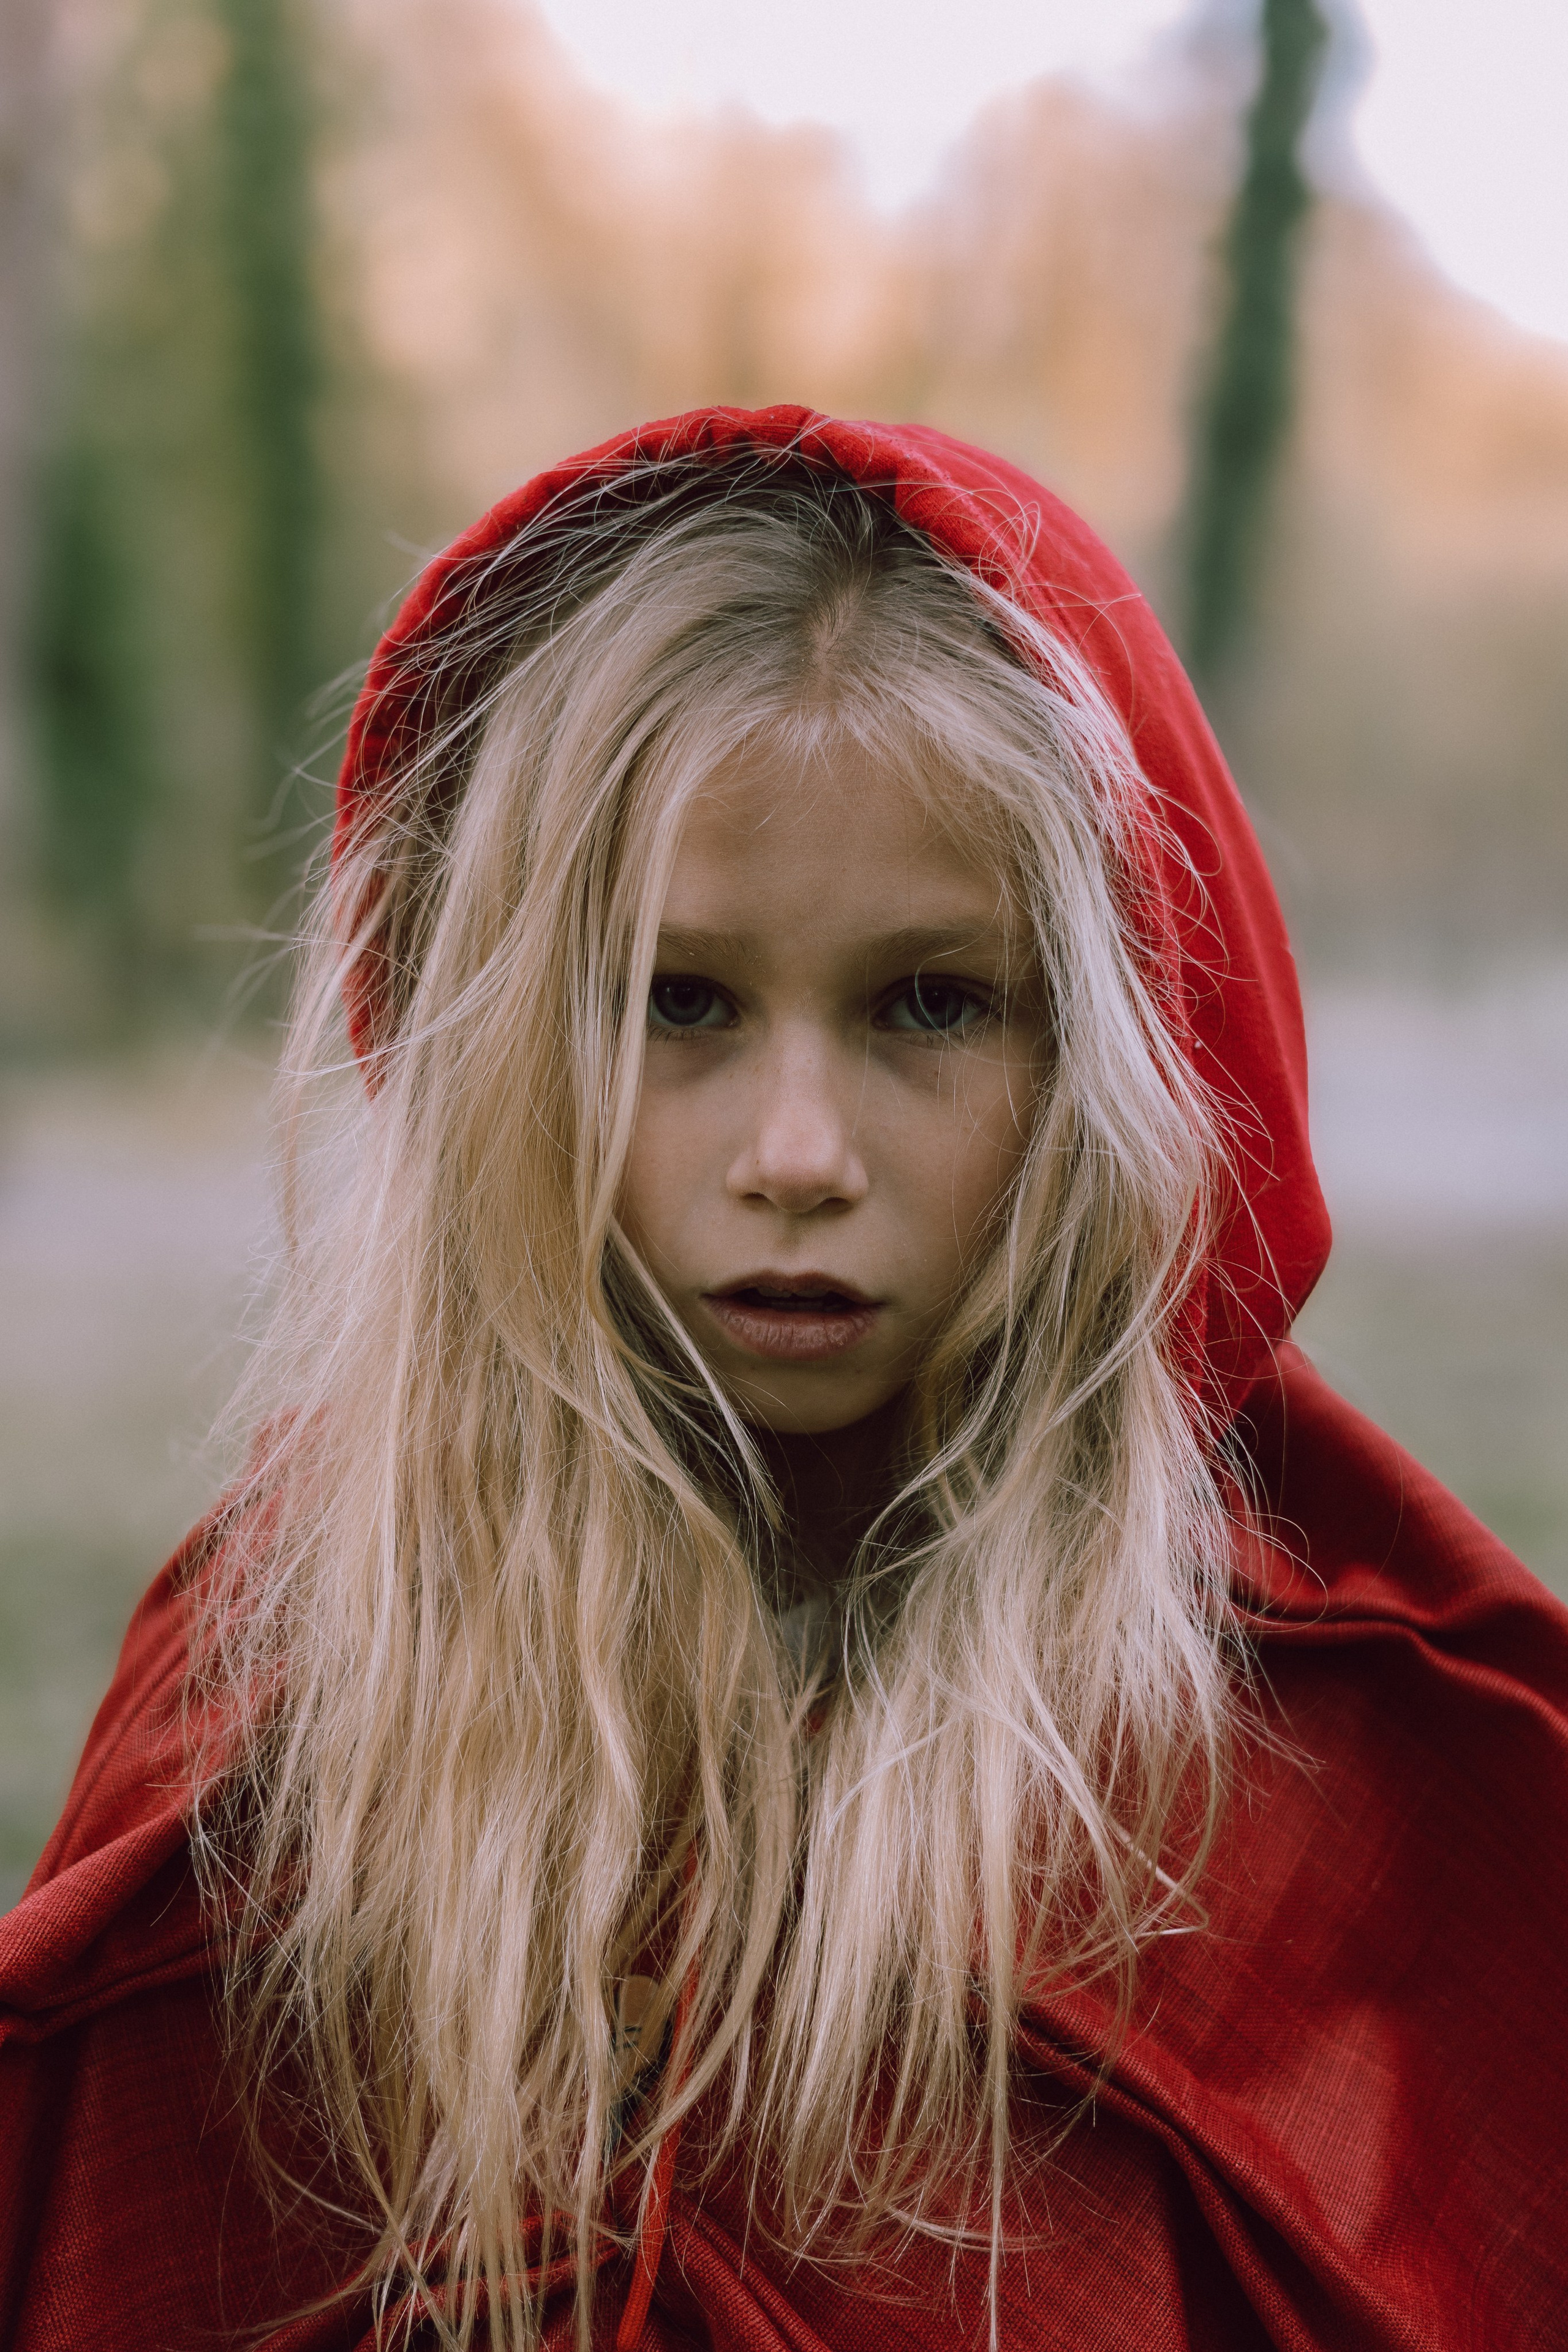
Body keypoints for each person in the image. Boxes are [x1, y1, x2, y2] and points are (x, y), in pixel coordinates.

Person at [1, 405, 1564, 2352]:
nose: (799, 1150)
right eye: (678, 1001)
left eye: (930, 1003)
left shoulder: (1338, 1769)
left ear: (1105, 1059)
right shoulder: (278, 1707)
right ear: (502, 1038)